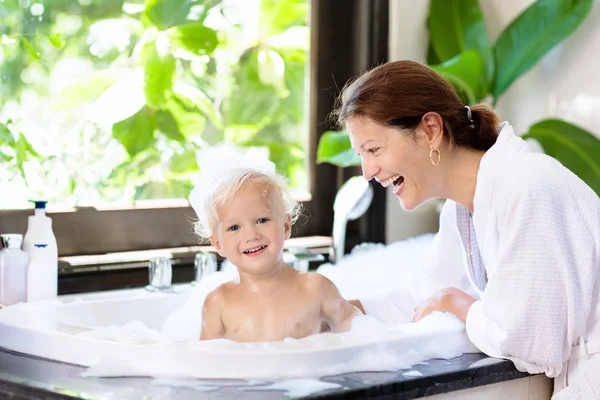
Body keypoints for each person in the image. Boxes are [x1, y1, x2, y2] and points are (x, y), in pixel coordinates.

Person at [336, 60, 600, 399]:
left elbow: (530, 347)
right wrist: (334, 310)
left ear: (430, 129)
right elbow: (421, 296)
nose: (367, 171)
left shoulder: (527, 186)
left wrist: (459, 304)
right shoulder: (462, 208)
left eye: (373, 150)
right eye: (361, 154)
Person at [188, 144, 358, 342]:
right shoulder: (218, 304)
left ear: (286, 227)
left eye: (262, 220)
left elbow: (361, 338)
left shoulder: (316, 289)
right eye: (234, 227)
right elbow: (208, 366)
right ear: (218, 245)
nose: (251, 235)